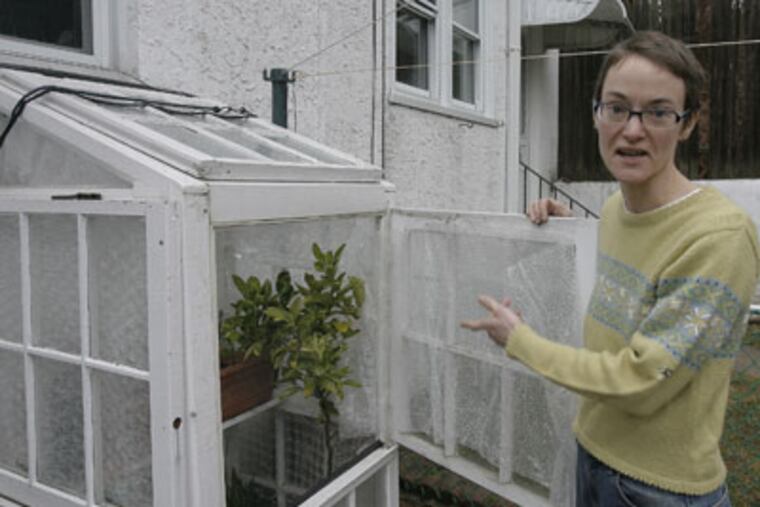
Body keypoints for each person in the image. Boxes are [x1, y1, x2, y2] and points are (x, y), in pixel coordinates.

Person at [462, 31, 759, 507]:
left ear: (688, 124)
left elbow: (641, 382)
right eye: (617, 107)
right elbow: (635, 274)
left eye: (659, 112)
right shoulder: (619, 208)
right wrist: (572, 229)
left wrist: (521, 342)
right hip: (594, 454)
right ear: (596, 113)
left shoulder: (719, 236)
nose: (633, 129)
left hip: (659, 487)